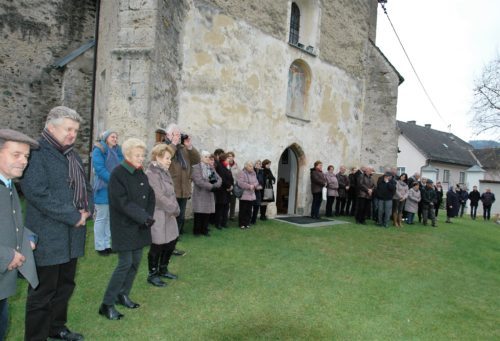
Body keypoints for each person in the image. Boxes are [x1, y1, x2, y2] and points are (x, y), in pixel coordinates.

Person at [21, 106, 93, 341]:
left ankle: (56, 327)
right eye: (68, 129)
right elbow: (36, 193)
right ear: (51, 126)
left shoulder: (71, 154)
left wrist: (88, 208)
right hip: (48, 235)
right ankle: (36, 337)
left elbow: (85, 186)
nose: (73, 134)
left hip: (72, 236)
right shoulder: (36, 153)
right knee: (43, 292)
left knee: (65, 285)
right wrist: (74, 216)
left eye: (75, 130)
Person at [99, 138, 155, 320]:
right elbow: (122, 202)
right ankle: (107, 304)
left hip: (139, 224)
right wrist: (143, 217)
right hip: (124, 226)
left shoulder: (141, 174)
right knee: (125, 263)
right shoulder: (118, 174)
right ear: (128, 155)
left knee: (136, 261)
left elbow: (150, 196)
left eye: (142, 155)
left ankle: (123, 294)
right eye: (137, 155)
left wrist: (147, 216)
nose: (141, 158)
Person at [0, 129, 39, 341]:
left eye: (26, 156)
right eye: (16, 154)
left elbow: (10, 221)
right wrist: (8, 256)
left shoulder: (7, 184)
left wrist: (27, 237)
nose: (23, 161)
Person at [145, 144, 180, 288]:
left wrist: (174, 207)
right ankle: (152, 275)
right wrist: (174, 208)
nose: (169, 161)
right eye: (166, 158)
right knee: (157, 244)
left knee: (171, 241)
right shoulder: (151, 173)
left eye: (170, 158)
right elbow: (158, 196)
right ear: (157, 157)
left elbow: (171, 192)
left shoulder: (165, 171)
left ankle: (163, 269)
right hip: (158, 213)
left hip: (169, 213)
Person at [164, 124, 200, 255]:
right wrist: (173, 144)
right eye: (175, 134)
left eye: (179, 134)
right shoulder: (162, 147)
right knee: (168, 219)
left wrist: (189, 146)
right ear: (168, 135)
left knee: (179, 219)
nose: (178, 137)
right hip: (170, 190)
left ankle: (172, 246)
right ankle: (163, 245)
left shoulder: (183, 149)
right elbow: (165, 156)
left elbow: (196, 160)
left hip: (183, 190)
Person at [91, 130, 124, 256]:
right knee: (101, 218)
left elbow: (122, 164)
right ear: (105, 138)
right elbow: (99, 169)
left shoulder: (118, 150)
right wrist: (113, 179)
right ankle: (100, 246)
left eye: (116, 137)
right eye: (112, 136)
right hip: (103, 188)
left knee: (110, 218)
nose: (115, 139)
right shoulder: (99, 150)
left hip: (114, 188)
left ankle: (107, 245)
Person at [191, 151, 222, 236]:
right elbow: (198, 181)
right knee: (199, 213)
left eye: (208, 157)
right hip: (200, 194)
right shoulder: (196, 167)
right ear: (201, 158)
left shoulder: (210, 168)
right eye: (206, 157)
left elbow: (218, 179)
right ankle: (197, 231)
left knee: (207, 213)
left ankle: (204, 230)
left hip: (209, 194)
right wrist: (211, 187)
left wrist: (216, 185)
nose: (208, 158)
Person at [238, 161, 261, 229]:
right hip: (244, 195)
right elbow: (240, 183)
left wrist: (254, 185)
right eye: (250, 166)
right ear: (246, 166)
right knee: (243, 210)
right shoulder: (242, 173)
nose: (251, 167)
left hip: (251, 195)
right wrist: (249, 186)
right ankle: (242, 223)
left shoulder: (254, 173)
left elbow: (256, 182)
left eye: (252, 166)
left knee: (249, 210)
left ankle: (247, 223)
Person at [214, 153, 234, 229]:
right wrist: (229, 186)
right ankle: (218, 223)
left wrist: (232, 186)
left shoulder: (227, 166)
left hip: (228, 191)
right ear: (224, 159)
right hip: (221, 190)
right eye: (228, 158)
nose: (229, 159)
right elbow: (222, 178)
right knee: (220, 208)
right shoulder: (219, 166)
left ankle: (224, 223)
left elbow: (231, 178)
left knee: (226, 207)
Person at [227, 151, 240, 221]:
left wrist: (236, 183)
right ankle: (224, 215)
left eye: (231, 156)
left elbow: (239, 175)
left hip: (234, 185)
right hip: (227, 186)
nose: (229, 158)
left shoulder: (236, 166)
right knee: (226, 201)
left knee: (233, 201)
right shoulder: (225, 164)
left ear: (233, 157)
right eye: (228, 156)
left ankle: (232, 215)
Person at [251, 160, 264, 225]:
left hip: (258, 191)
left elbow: (262, 182)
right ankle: (249, 219)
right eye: (257, 163)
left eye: (259, 164)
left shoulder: (261, 172)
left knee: (257, 206)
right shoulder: (252, 171)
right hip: (251, 191)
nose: (258, 165)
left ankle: (254, 220)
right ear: (254, 164)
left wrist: (261, 186)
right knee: (250, 206)